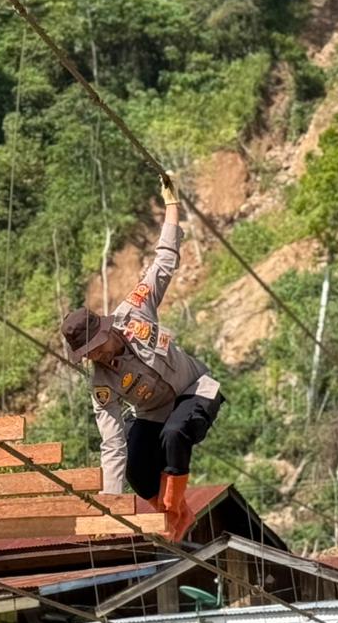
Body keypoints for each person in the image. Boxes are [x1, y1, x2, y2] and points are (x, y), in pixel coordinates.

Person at [60, 177, 223, 542]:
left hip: (194, 390)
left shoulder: (135, 311)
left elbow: (163, 262)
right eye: (87, 355)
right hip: (152, 414)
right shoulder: (100, 382)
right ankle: (177, 515)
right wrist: (111, 502)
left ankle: (171, 507)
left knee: (175, 433)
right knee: (136, 467)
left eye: (96, 347)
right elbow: (111, 440)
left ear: (105, 331)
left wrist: (172, 206)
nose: (96, 357)